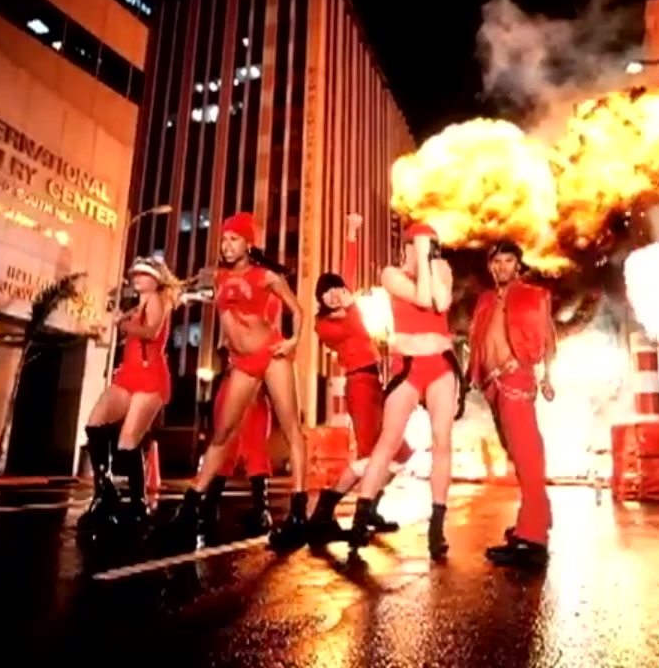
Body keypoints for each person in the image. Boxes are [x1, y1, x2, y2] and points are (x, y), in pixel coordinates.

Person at [173, 213, 309, 550]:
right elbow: (191, 292)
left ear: (249, 244)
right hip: (242, 363)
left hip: (272, 354)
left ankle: (298, 512)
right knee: (222, 433)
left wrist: (293, 341)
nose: (227, 245)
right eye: (224, 239)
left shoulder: (266, 276)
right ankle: (191, 506)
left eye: (234, 239)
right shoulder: (218, 277)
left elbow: (297, 310)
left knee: (291, 428)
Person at [346, 222, 459, 560]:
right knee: (389, 440)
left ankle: (437, 526)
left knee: (442, 441)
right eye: (421, 243)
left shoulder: (441, 268)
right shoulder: (391, 274)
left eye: (433, 244)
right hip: (407, 366)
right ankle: (361, 517)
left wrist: (430, 261)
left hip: (440, 364)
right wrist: (421, 257)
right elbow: (422, 298)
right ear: (407, 246)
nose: (428, 248)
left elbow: (440, 302)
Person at [305, 213, 413, 544]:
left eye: (337, 288)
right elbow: (348, 327)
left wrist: (351, 232)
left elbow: (348, 267)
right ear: (320, 299)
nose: (335, 294)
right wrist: (350, 306)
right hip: (359, 386)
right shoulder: (324, 324)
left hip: (375, 384)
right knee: (370, 455)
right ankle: (326, 511)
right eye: (327, 293)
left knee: (400, 452)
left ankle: (372, 507)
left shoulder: (347, 301)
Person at [468, 240, 557, 568]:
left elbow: (548, 337)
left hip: (516, 377)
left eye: (508, 261)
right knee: (517, 455)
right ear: (490, 266)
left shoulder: (533, 295)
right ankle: (535, 520)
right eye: (497, 261)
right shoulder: (486, 299)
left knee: (527, 453)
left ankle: (533, 539)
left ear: (518, 265)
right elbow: (478, 340)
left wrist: (547, 377)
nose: (502, 266)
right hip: (493, 385)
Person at [78, 257, 179, 530]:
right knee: (95, 423)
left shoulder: (157, 299)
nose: (136, 278)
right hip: (128, 374)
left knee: (127, 443)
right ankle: (105, 490)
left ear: (156, 280)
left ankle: (138, 504)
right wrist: (122, 321)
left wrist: (125, 326)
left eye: (143, 274)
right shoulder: (139, 305)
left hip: (149, 375)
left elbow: (152, 332)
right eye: (135, 274)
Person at [200, 291, 284, 536]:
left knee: (251, 448)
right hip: (234, 386)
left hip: (250, 390)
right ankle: (211, 506)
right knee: (226, 447)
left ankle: (259, 510)